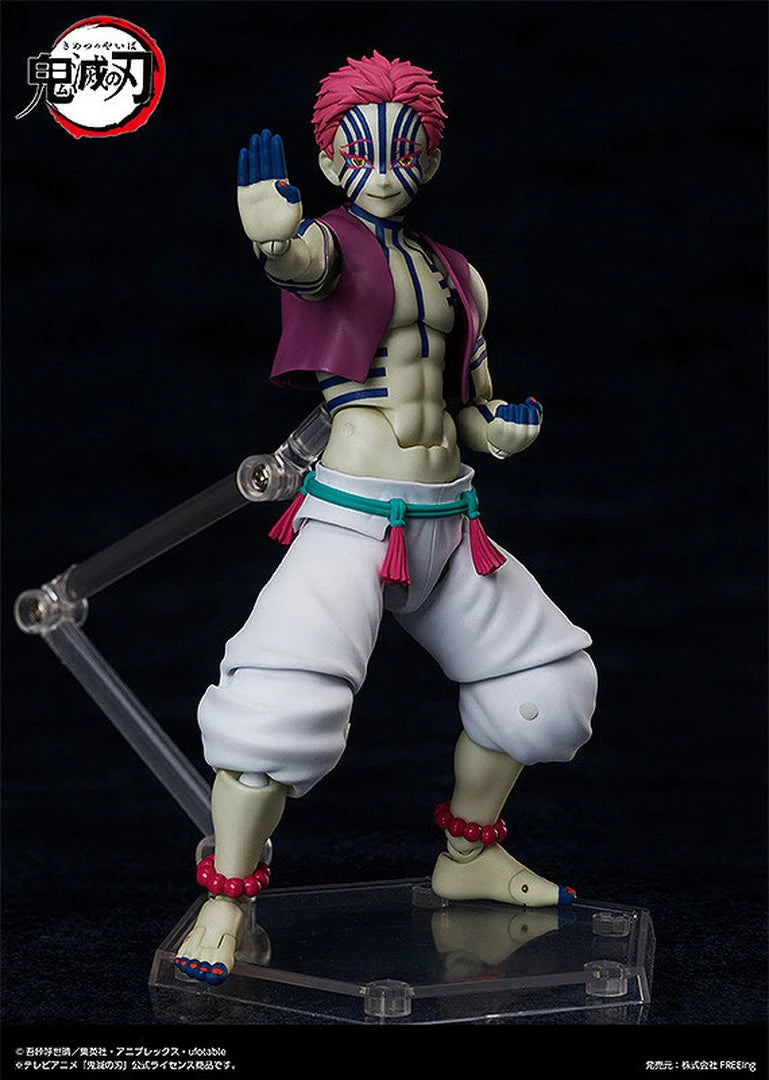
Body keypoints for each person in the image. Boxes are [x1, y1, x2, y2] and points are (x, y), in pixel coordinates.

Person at [174, 52, 597, 986]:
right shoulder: (330, 245)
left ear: (430, 160)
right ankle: (225, 900)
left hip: (451, 522)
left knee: (544, 685)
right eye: (358, 151)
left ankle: (468, 854)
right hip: (352, 522)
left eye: (403, 151)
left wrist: (499, 430)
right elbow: (301, 266)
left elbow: (468, 404)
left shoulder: (458, 275)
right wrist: (270, 240)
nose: (381, 169)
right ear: (331, 160)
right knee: (277, 711)